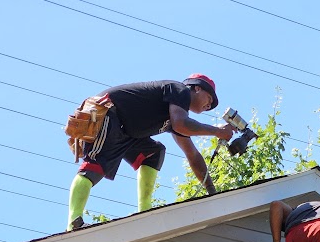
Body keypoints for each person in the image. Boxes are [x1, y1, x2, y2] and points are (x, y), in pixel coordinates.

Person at [66, 75, 235, 231]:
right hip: (108, 113)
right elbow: (181, 124)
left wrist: (212, 192)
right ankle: (74, 222)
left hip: (126, 130)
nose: (209, 106)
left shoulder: (175, 113)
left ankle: (144, 213)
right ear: (197, 88)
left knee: (154, 153)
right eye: (209, 98)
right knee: (95, 166)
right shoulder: (180, 90)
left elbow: (193, 155)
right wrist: (218, 132)